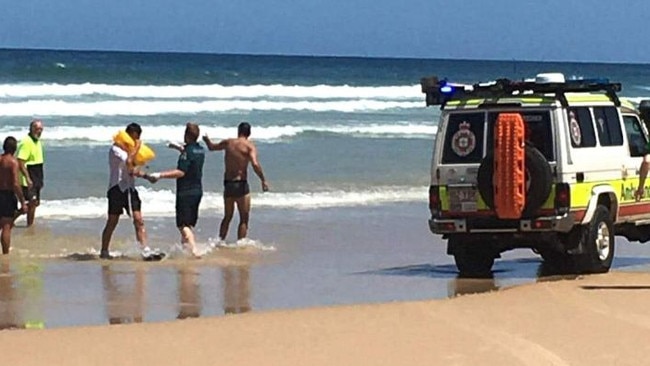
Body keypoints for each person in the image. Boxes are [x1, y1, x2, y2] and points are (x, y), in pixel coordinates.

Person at [202, 122, 269, 242]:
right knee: (244, 218)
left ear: (238, 131)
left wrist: (207, 140)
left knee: (227, 216)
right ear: (249, 133)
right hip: (241, 184)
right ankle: (240, 243)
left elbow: (212, 147)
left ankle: (219, 241)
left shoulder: (229, 143)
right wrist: (263, 179)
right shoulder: (249, 146)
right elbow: (254, 164)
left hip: (228, 184)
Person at [146, 122, 205, 258]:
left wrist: (160, 175)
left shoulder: (187, 153)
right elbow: (190, 153)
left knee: (182, 225)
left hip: (185, 191)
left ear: (187, 134)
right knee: (189, 224)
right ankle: (186, 251)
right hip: (197, 190)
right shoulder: (200, 150)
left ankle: (194, 250)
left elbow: (181, 172)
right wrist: (178, 148)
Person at [100, 123, 154, 260]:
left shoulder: (130, 150)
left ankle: (145, 250)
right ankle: (104, 251)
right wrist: (136, 147)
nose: (137, 141)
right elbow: (129, 162)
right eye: (136, 138)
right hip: (116, 188)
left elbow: (132, 170)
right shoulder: (115, 150)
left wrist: (147, 176)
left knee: (139, 220)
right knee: (112, 221)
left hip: (130, 188)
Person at [0, 137, 27, 254]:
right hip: (6, 195)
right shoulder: (13, 162)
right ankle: (5, 254)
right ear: (15, 148)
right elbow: (15, 183)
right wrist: (22, 201)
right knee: (6, 226)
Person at [15, 119, 44, 227]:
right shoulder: (26, 142)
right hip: (29, 177)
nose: (39, 131)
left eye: (41, 129)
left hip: (37, 175)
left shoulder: (37, 141)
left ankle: (29, 225)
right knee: (30, 203)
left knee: (35, 204)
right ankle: (9, 220)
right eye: (37, 129)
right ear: (31, 129)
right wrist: (27, 178)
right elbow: (20, 161)